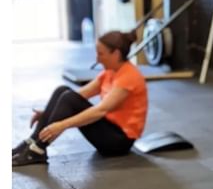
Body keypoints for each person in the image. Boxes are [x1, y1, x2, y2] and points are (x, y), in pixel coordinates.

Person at [12, 30, 147, 166]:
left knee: (69, 98)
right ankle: (31, 143)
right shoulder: (109, 72)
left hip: (119, 142)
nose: (97, 59)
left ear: (116, 54)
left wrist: (61, 125)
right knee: (62, 90)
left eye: (101, 54)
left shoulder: (129, 77)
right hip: (108, 130)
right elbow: (79, 95)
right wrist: (48, 113)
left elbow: (100, 111)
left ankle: (38, 150)